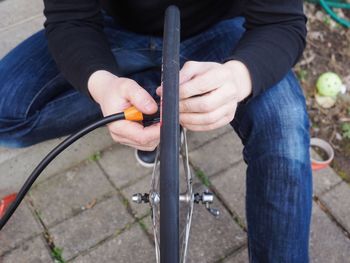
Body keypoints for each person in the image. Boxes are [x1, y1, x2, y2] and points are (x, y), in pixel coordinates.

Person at [0, 0, 312, 262]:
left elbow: (283, 22)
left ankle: (160, 97)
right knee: (6, 115)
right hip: (111, 31)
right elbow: (70, 17)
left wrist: (238, 77)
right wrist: (104, 85)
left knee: (284, 127)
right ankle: (159, 94)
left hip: (220, 32)